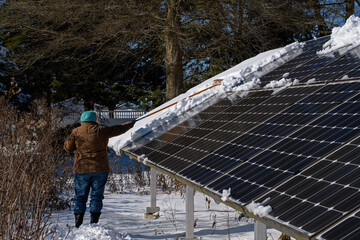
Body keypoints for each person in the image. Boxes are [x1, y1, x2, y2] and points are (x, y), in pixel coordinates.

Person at [64, 111, 135, 228]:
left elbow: (68, 148)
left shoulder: (76, 132)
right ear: (94, 120)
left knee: (80, 196)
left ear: (82, 120)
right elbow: (118, 129)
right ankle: (94, 222)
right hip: (100, 168)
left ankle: (78, 223)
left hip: (82, 169)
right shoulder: (101, 130)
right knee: (96, 195)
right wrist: (130, 123)